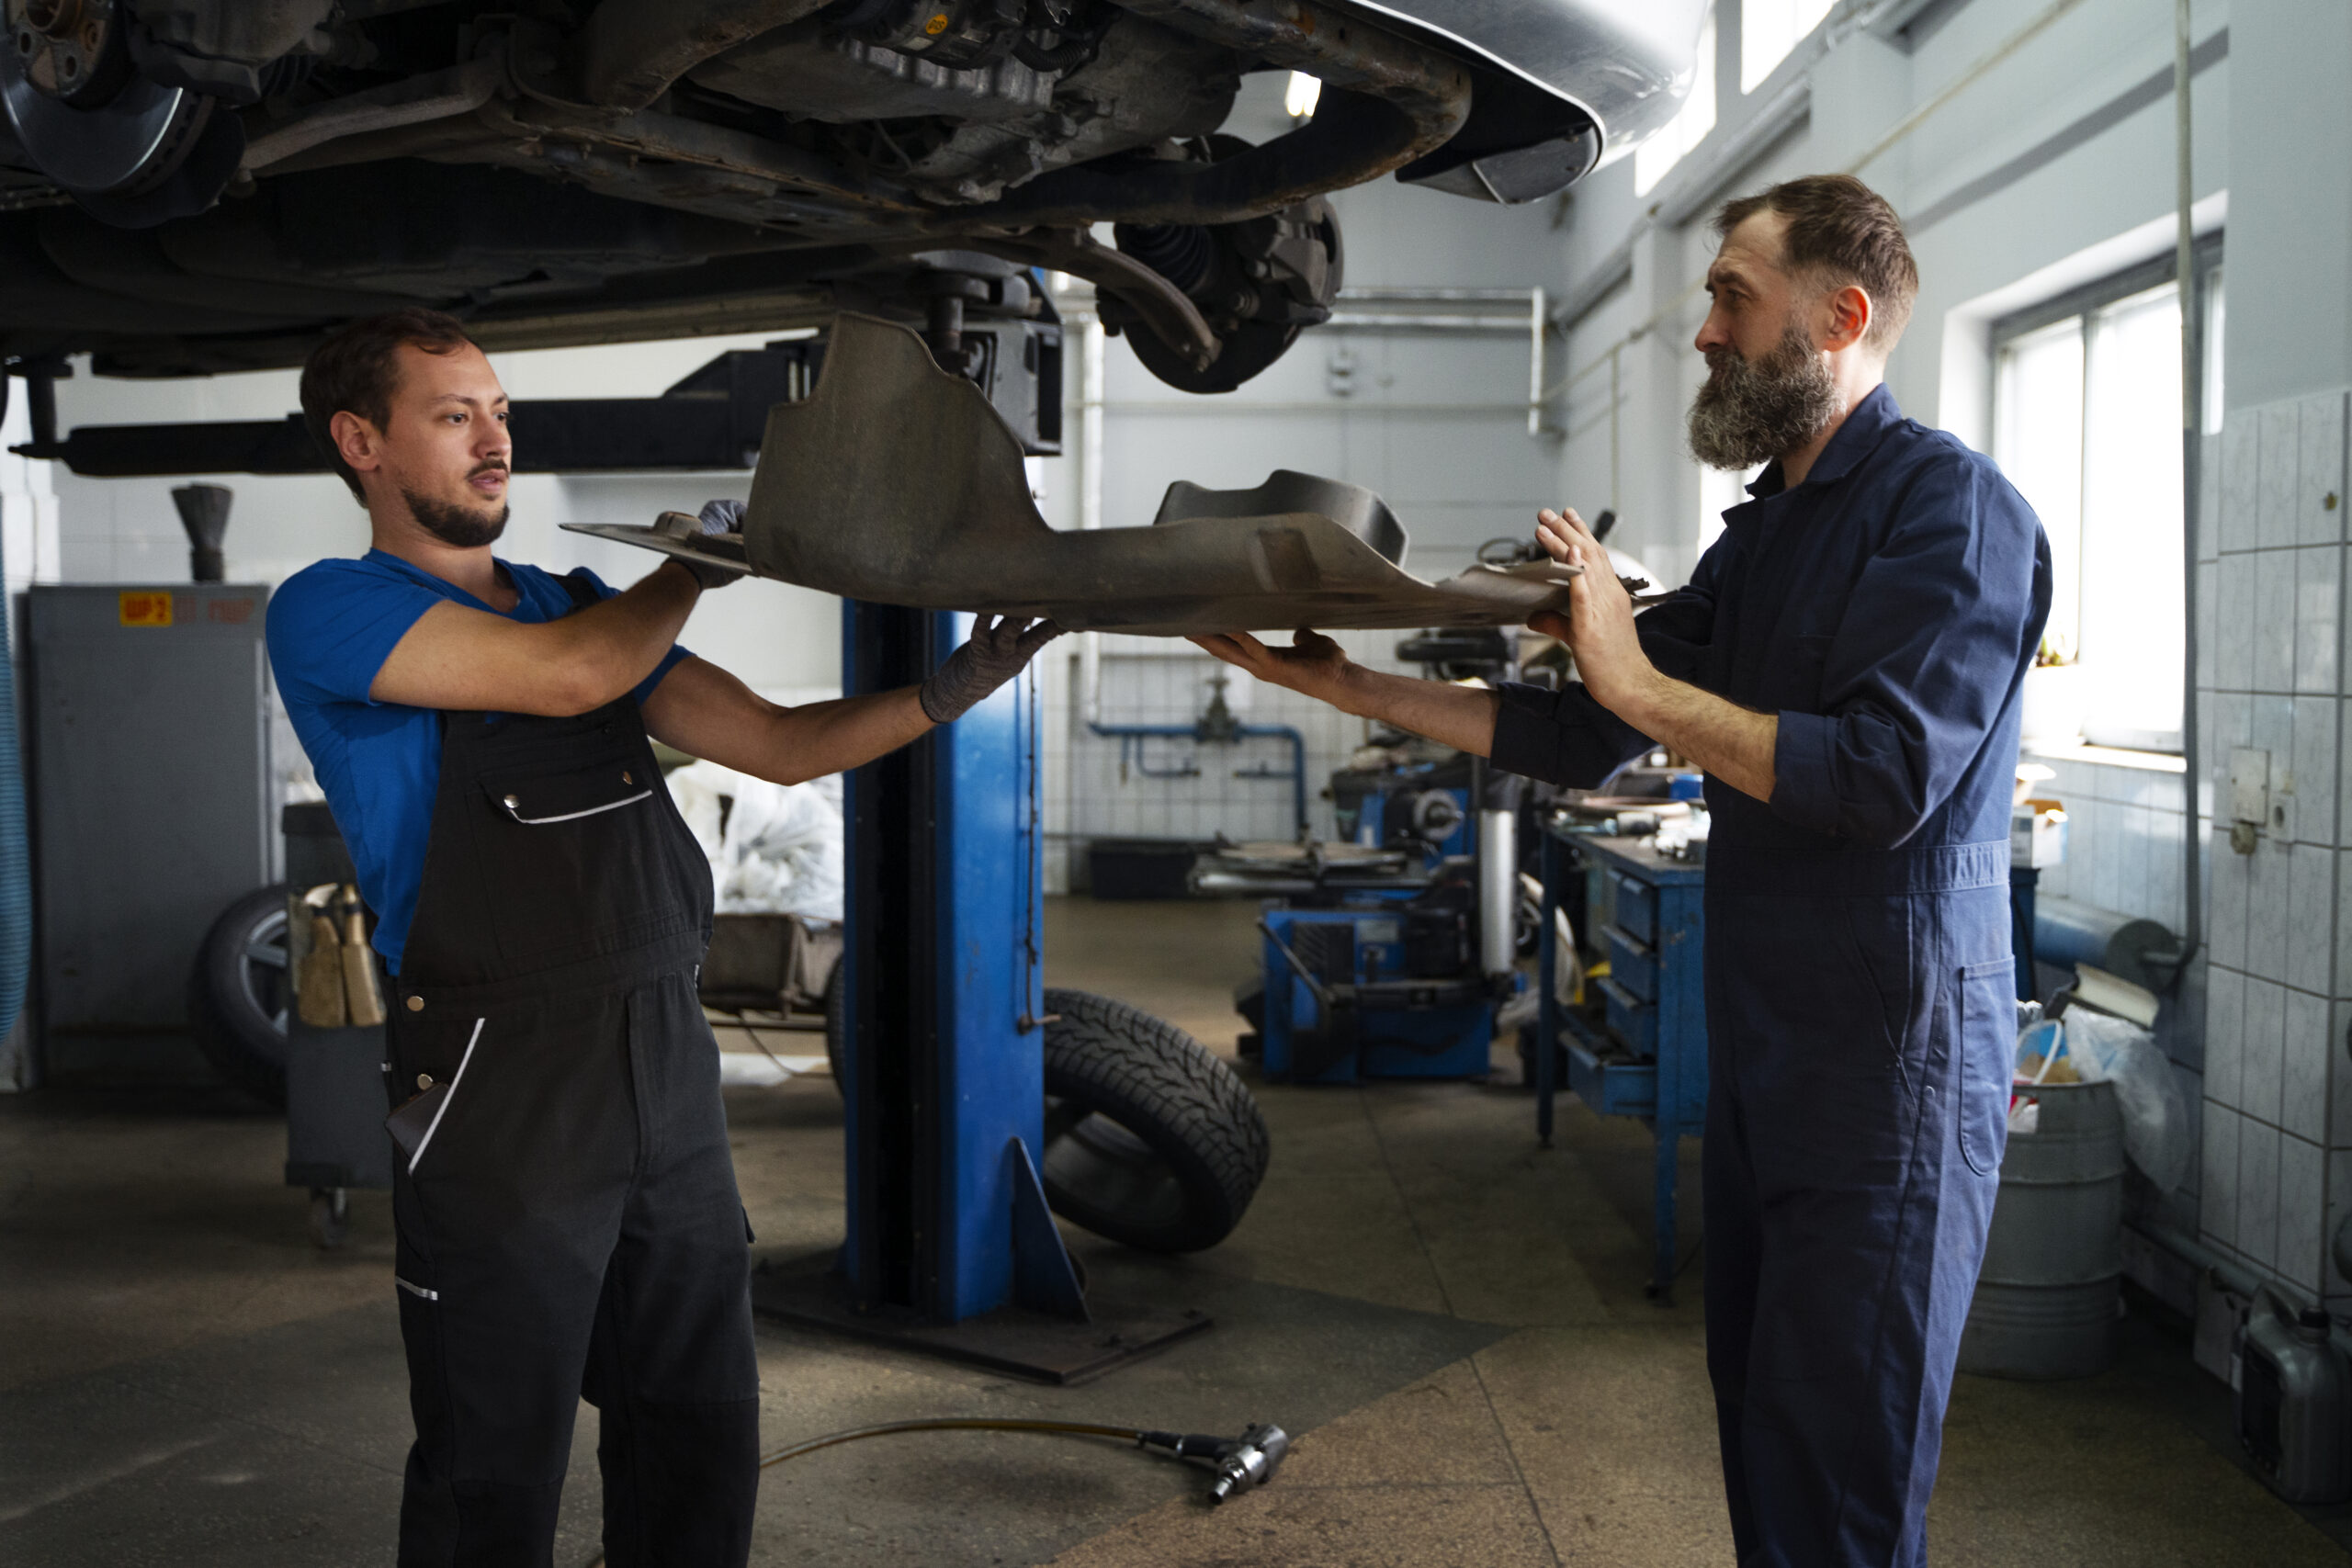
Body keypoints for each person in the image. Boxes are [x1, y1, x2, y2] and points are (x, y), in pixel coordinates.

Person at [1197, 175, 2051, 1565]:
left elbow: (1881, 779)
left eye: (1731, 298)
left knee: (1843, 1462)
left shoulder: (1952, 513)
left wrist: (1633, 673)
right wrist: (1347, 683)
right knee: (1764, 1418)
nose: (1703, 333)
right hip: (1773, 1056)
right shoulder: (1764, 532)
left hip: (1890, 1074)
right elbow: (1582, 731)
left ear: (1840, 318)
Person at [266, 308, 1058, 1568]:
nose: (495, 443)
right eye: (455, 417)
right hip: (498, 1079)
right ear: (361, 443)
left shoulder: (574, 601)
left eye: (500, 414)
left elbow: (780, 744)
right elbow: (571, 678)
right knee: (494, 1453)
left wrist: (942, 692)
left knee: (697, 1425)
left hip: (662, 1061)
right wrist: (690, 567)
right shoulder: (330, 609)